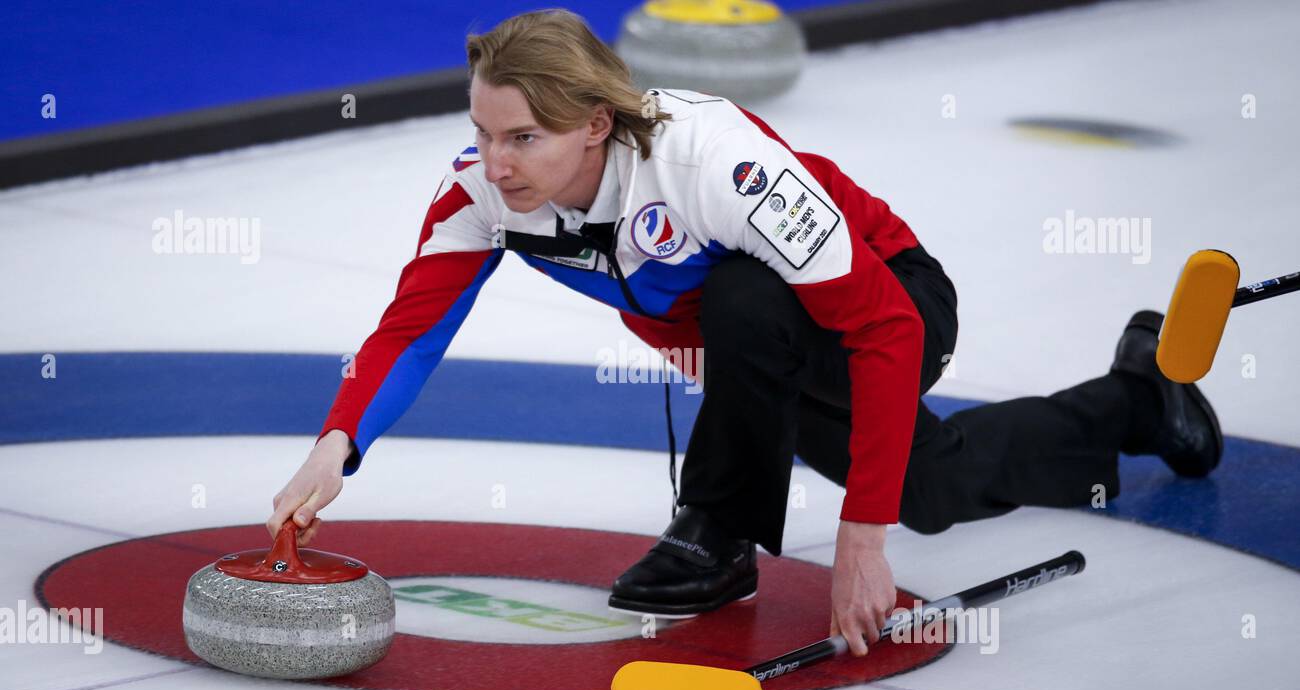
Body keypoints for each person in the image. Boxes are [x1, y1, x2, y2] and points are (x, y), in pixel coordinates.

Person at [267, 9, 1221, 657]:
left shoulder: (711, 163)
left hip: (892, 300)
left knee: (742, 298)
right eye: (482, 132)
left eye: (522, 139)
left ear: (595, 124)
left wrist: (859, 541)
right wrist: (337, 443)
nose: (495, 162)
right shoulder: (480, 194)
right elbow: (413, 328)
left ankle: (718, 532)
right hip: (759, 353)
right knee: (928, 487)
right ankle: (1138, 397)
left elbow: (886, 328)